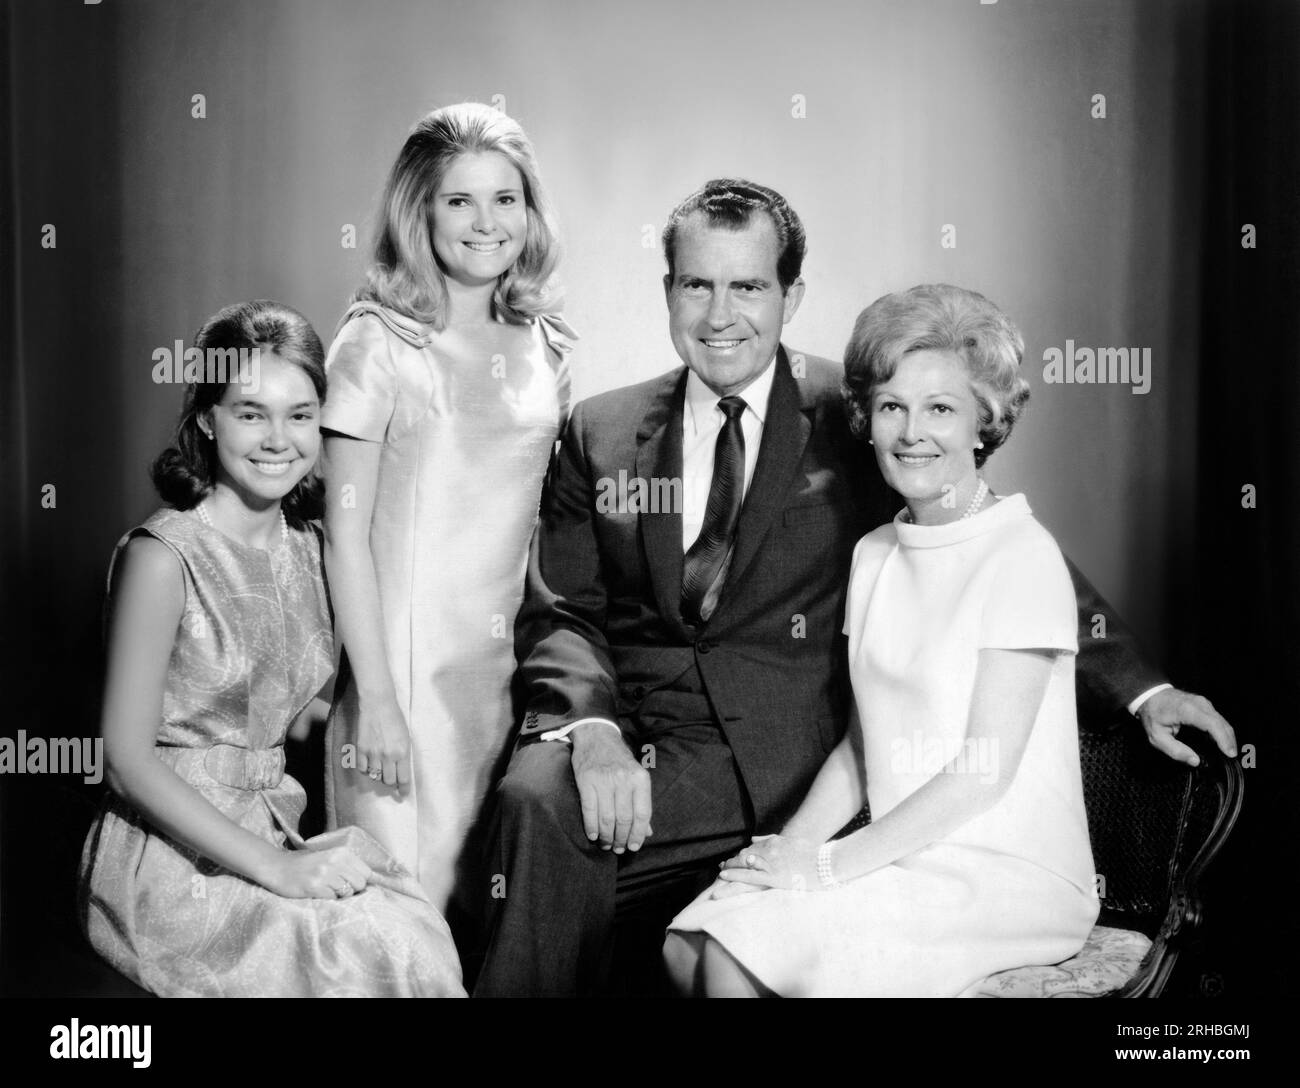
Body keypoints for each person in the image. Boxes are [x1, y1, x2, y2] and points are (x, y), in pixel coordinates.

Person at [475, 179, 1237, 998]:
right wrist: (593, 733)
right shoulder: (602, 428)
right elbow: (563, 610)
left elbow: (987, 546)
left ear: (792, 296)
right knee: (533, 802)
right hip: (647, 742)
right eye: (698, 284)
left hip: (792, 755)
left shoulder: (859, 409)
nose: (720, 314)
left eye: (750, 287)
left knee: (667, 923)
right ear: (668, 291)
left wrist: (1141, 688)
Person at [667, 285, 1097, 995]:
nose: (911, 432)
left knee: (735, 958)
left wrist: (830, 866)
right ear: (866, 418)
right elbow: (862, 748)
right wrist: (794, 846)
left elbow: (981, 773)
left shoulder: (1020, 554)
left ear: (985, 422)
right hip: (906, 854)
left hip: (1005, 870)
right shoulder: (875, 554)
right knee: (689, 942)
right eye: (893, 406)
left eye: (941, 409)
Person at [78, 300, 465, 997]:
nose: (278, 438)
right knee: (359, 955)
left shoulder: (315, 552)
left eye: (301, 413)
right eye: (250, 412)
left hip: (274, 824)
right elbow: (126, 761)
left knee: (409, 930)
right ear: (206, 418)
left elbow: (281, 712)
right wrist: (277, 868)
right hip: (168, 860)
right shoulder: (163, 556)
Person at [320, 103, 572, 929]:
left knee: (485, 919)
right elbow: (343, 536)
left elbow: (539, 531)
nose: (486, 222)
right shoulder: (376, 342)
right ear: (419, 209)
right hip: (404, 682)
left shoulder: (549, 345)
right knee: (400, 928)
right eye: (460, 200)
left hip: (502, 680)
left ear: (529, 212)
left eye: (505, 199)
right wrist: (378, 703)